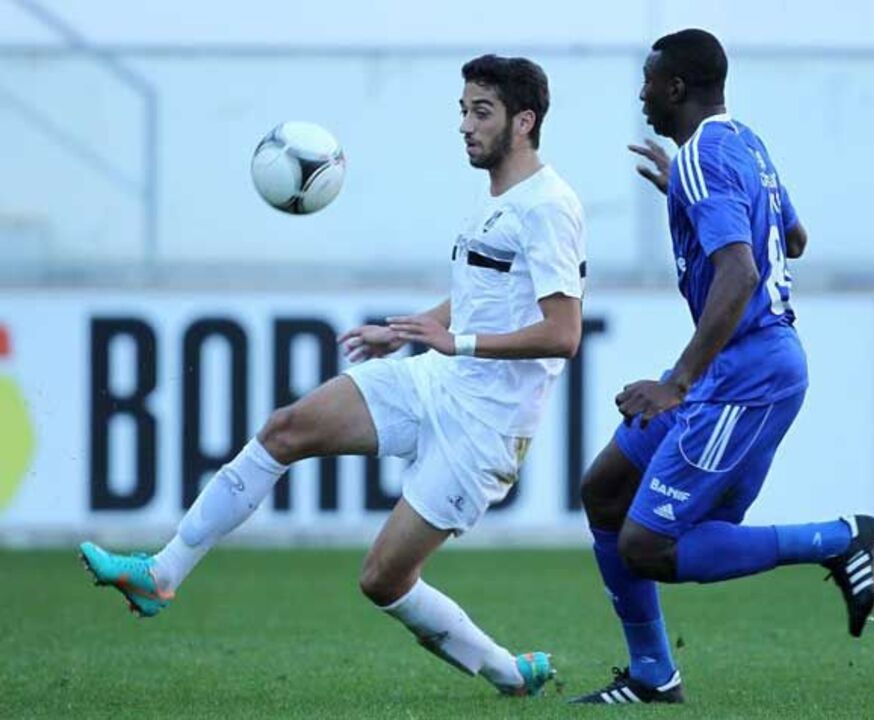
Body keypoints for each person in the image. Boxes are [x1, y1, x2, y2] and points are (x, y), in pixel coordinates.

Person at [79, 54, 586, 698]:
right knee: (286, 430)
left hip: (485, 426)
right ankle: (162, 573)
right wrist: (403, 332)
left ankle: (506, 673)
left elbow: (562, 334)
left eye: (480, 112)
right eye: (462, 110)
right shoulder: (497, 201)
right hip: (436, 381)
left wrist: (452, 341)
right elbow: (486, 295)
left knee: (382, 580)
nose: (464, 125)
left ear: (525, 122)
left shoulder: (550, 207)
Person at [570, 29, 874, 705]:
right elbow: (792, 239)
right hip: (742, 365)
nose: (641, 93)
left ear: (675, 87)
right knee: (603, 489)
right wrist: (686, 200)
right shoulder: (743, 143)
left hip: (746, 372)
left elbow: (738, 273)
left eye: (649, 81)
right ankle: (654, 674)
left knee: (647, 546)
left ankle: (837, 539)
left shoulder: (698, 158)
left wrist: (674, 383)